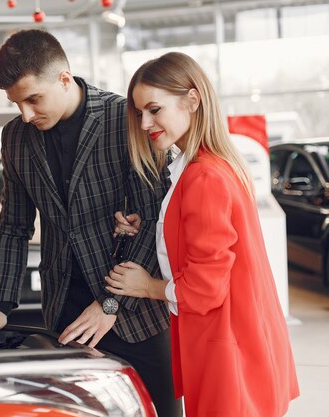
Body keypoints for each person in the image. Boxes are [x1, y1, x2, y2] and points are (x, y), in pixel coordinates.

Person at [0, 29, 182, 417]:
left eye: (33, 99)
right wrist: (1, 305)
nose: (26, 115)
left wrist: (110, 302)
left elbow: (154, 219)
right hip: (65, 312)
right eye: (17, 104)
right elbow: (14, 226)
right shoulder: (15, 137)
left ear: (64, 78)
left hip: (138, 316)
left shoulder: (124, 118)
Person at [105, 51, 299, 417]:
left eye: (154, 109)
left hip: (226, 352)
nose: (145, 123)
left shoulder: (203, 176)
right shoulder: (211, 165)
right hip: (242, 345)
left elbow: (205, 287)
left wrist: (147, 286)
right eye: (140, 113)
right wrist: (153, 227)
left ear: (192, 100)